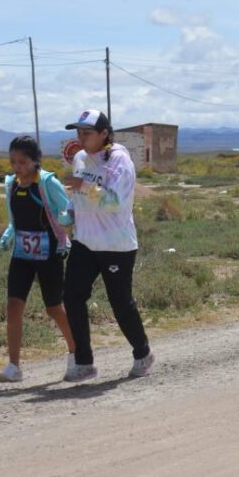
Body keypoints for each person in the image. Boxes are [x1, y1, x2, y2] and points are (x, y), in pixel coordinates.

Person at [61, 109, 155, 382]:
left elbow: (114, 202)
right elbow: (78, 194)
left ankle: (143, 352)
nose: (81, 138)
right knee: (72, 297)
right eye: (78, 133)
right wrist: (69, 209)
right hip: (85, 242)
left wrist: (83, 188)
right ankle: (84, 363)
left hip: (116, 244)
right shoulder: (80, 158)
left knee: (120, 303)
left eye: (87, 133)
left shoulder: (119, 161)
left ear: (104, 134)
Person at [0, 135, 77, 382]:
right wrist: (9, 233)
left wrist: (65, 220)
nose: (17, 167)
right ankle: (14, 366)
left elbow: (68, 209)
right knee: (13, 306)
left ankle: (76, 354)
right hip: (22, 253)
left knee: (54, 308)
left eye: (22, 161)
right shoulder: (11, 184)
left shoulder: (47, 183)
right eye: (13, 162)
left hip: (49, 252)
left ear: (34, 161)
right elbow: (14, 217)